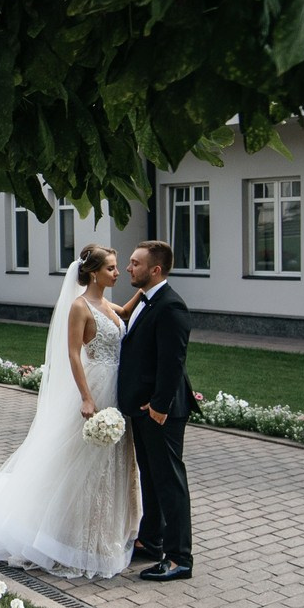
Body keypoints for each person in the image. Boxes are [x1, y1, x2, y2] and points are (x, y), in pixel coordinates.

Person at [0, 244, 141, 578]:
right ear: (94, 272)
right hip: (94, 386)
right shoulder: (80, 306)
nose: (117, 273)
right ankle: (64, 537)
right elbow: (72, 354)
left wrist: (148, 290)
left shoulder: (107, 305)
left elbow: (124, 314)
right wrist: (86, 397)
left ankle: (101, 534)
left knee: (106, 464)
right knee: (78, 463)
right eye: (111, 268)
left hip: (115, 388)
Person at [116, 240, 194, 581]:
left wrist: (161, 405)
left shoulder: (171, 306)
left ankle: (180, 559)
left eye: (135, 263)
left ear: (155, 270)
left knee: (169, 482)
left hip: (160, 411)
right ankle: (152, 539)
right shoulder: (149, 301)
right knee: (150, 476)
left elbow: (173, 360)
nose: (129, 268)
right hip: (144, 409)